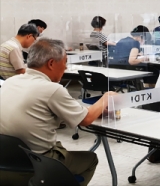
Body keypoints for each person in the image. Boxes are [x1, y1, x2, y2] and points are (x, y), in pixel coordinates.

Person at [0, 39, 118, 186]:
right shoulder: (52, 89)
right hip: (39, 162)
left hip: (6, 161)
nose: (66, 67)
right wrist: (104, 99)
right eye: (64, 62)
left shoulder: (11, 81)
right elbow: (86, 120)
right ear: (51, 63)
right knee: (90, 159)